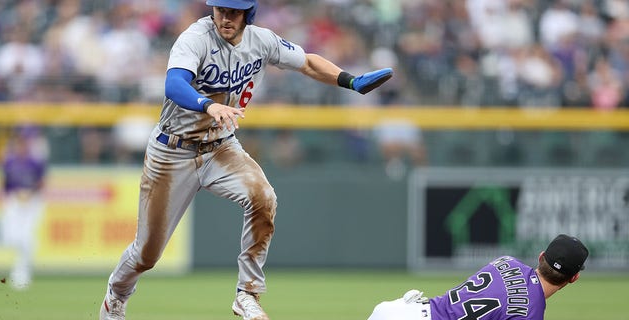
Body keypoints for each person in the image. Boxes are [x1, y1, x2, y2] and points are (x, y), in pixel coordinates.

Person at [99, 1, 393, 319]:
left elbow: (307, 62)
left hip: (220, 147)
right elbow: (174, 84)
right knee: (147, 254)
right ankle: (116, 293)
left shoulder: (261, 40)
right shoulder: (195, 37)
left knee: (263, 197)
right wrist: (207, 105)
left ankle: (247, 293)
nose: (225, 17)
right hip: (172, 151)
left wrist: (350, 81)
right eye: (220, 9)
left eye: (234, 11)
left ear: (248, 14)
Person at [367, 234, 589, 320]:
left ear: (541, 256)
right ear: (574, 277)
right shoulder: (531, 312)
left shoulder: (506, 261)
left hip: (397, 310)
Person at [0, 126, 49, 290]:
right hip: (14, 200)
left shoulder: (36, 161)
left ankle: (22, 272)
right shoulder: (9, 160)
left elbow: (42, 182)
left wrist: (29, 193)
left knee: (26, 237)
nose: (24, 144)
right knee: (11, 237)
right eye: (21, 140)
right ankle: (21, 270)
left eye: (27, 141)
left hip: (32, 201)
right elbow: (4, 182)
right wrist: (8, 196)